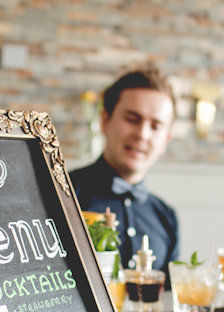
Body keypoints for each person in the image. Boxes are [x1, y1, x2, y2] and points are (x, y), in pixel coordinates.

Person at [70, 66, 179, 275]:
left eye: (155, 126)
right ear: (105, 121)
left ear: (166, 141)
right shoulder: (62, 195)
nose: (142, 135)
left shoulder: (167, 217)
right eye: (132, 119)